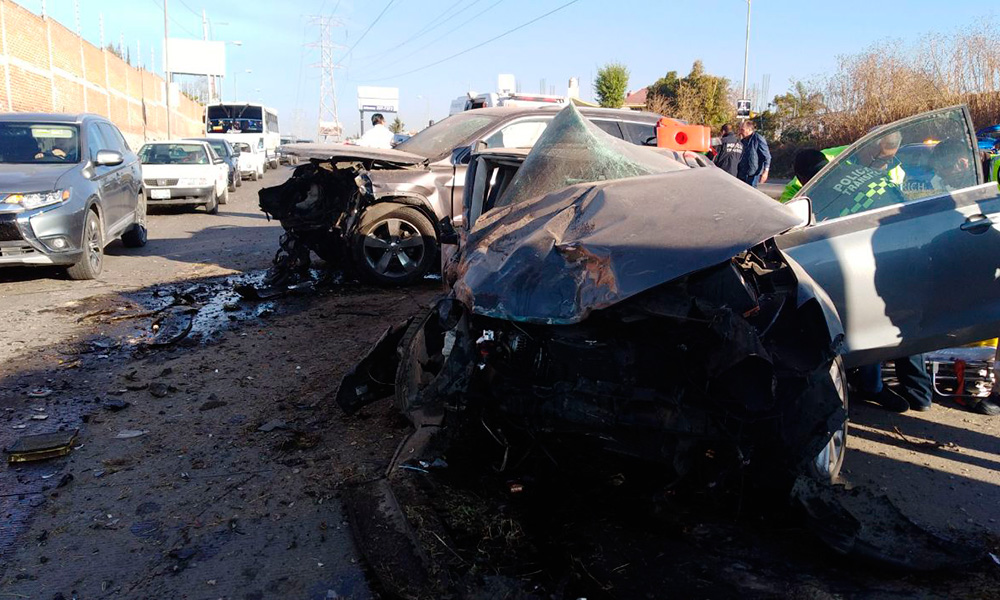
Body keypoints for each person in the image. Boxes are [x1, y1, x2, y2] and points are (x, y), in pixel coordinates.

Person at [779, 146, 847, 202]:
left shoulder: (846, 155)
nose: (825, 180)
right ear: (803, 182)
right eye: (819, 179)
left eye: (828, 174)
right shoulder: (793, 194)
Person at [736, 120, 771, 187]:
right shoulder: (742, 141)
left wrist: (765, 172)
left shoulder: (758, 139)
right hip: (742, 173)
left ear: (749, 129)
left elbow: (767, 156)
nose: (741, 132)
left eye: (742, 130)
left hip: (753, 173)